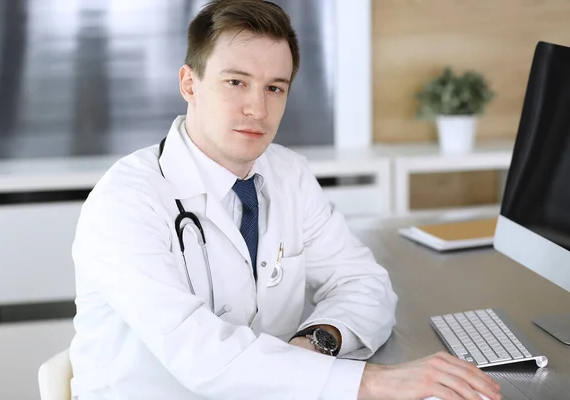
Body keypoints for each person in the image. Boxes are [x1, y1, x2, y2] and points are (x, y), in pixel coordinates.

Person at [69, 1, 502, 399]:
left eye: (275, 88)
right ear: (189, 83)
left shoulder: (287, 174)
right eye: (236, 82)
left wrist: (316, 340)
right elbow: (198, 353)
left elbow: (364, 283)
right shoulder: (127, 201)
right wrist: (368, 382)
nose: (257, 107)